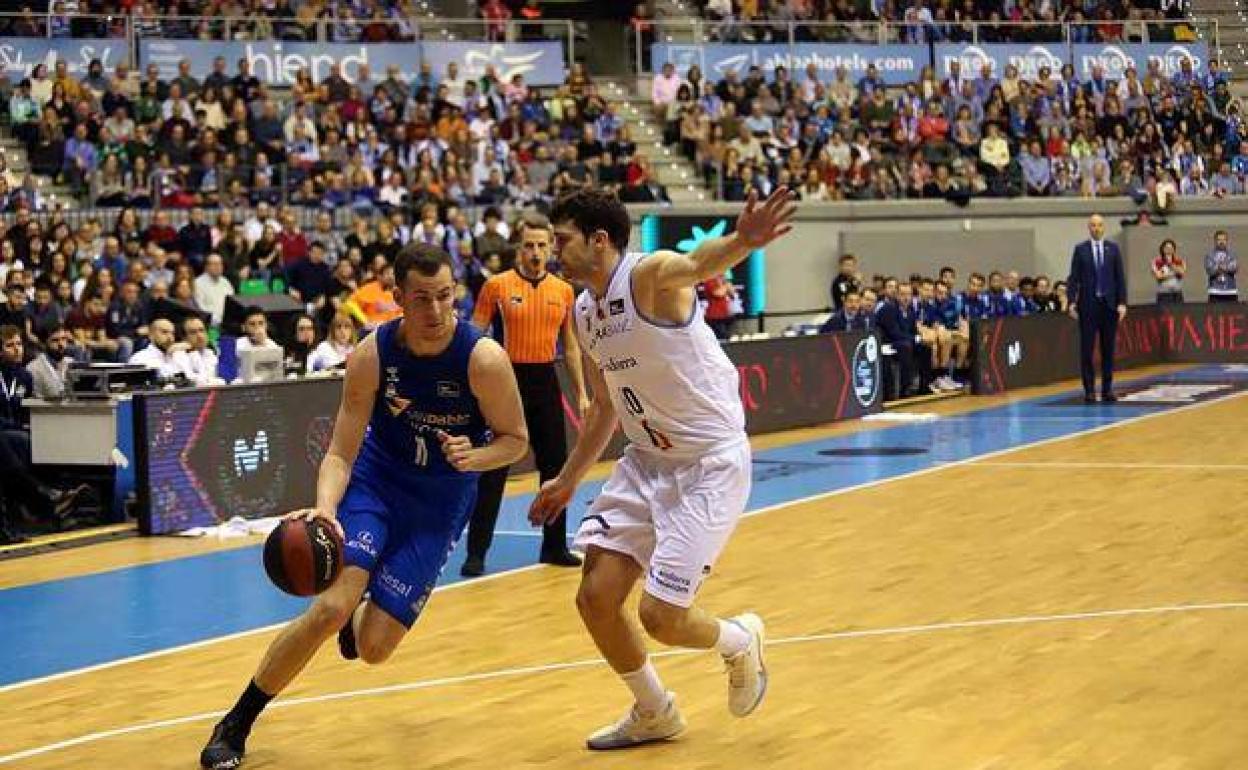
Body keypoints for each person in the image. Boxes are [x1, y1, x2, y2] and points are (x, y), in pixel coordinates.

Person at [199, 244, 529, 769]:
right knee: (327, 608)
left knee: (374, 649)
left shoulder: (483, 358)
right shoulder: (373, 354)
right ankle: (236, 722)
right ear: (397, 299)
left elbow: (516, 441)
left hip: (440, 501)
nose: (436, 311)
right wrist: (325, 508)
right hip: (377, 482)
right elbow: (340, 450)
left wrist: (478, 454)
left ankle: (358, 617)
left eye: (445, 297)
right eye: (421, 300)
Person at [529, 187, 795, 750]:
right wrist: (569, 478)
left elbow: (697, 263)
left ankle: (738, 639)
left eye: (563, 240)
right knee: (595, 597)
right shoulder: (583, 311)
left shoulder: (646, 276)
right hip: (647, 461)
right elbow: (603, 408)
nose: (556, 251)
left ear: (599, 241)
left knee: (661, 616)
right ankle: (654, 711)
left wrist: (744, 241)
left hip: (708, 463)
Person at [461, 213, 589, 577]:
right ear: (519, 247)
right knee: (493, 470)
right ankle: (477, 552)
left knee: (555, 468)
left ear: (551, 247)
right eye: (529, 245)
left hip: (546, 380)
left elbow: (573, 347)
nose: (535, 252)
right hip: (507, 380)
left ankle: (554, 545)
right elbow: (475, 335)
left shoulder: (564, 291)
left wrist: (581, 393)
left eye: (541, 245)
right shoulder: (496, 287)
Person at [1067, 214, 1127, 403]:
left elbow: (1120, 278)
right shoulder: (1080, 250)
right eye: (1093, 225)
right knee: (1086, 350)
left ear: (1104, 228)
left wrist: (1122, 303)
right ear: (1088, 228)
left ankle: (1107, 389)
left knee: (1108, 349)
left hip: (1109, 306)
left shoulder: (1113, 249)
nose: (1096, 228)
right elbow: (1073, 278)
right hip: (1088, 306)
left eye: (1099, 225)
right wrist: (1070, 301)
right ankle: (1089, 390)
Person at [26, 323, 73, 398]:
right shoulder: (32, 369)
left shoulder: (72, 363)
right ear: (44, 343)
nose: (61, 344)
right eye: (55, 340)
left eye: (64, 339)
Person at [180, 315, 221, 386]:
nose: (199, 336)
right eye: (193, 332)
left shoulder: (210, 353)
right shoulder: (179, 355)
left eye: (201, 330)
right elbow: (192, 382)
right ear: (184, 338)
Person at [1205, 230, 1238, 303]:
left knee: (1232, 313)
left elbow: (1234, 268)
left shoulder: (1232, 255)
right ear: (1215, 241)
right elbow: (1210, 270)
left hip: (1231, 291)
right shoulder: (1209, 255)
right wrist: (1222, 267)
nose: (1221, 242)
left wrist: (1219, 267)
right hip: (1215, 291)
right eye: (1219, 240)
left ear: (1227, 241)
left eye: (1224, 239)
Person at [1152, 239, 1186, 304]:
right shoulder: (1157, 262)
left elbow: (1182, 272)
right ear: (1162, 249)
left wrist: (1171, 265)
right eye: (1167, 247)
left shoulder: (1180, 261)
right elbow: (1158, 276)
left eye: (1171, 247)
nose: (1169, 249)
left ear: (1174, 249)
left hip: (1177, 292)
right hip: (1163, 293)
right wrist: (1173, 273)